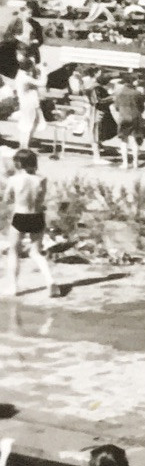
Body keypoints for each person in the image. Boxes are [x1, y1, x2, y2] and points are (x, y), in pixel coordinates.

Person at [3, 150, 58, 299]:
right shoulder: (42, 179)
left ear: (18, 164)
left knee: (14, 251)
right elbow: (41, 198)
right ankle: (50, 281)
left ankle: (13, 286)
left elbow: (7, 199)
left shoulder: (14, 179)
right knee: (35, 252)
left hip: (20, 216)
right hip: (37, 216)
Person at [109, 73, 145, 170]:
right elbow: (142, 108)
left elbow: (116, 107)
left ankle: (125, 163)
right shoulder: (137, 93)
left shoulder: (118, 92)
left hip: (123, 118)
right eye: (136, 80)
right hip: (135, 118)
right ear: (132, 81)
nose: (138, 81)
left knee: (123, 140)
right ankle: (135, 163)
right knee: (134, 140)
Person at [11, 58, 43, 153]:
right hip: (28, 104)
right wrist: (44, 72)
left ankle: (25, 144)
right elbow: (42, 83)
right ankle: (23, 146)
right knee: (27, 124)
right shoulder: (24, 77)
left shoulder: (21, 75)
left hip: (27, 103)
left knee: (31, 123)